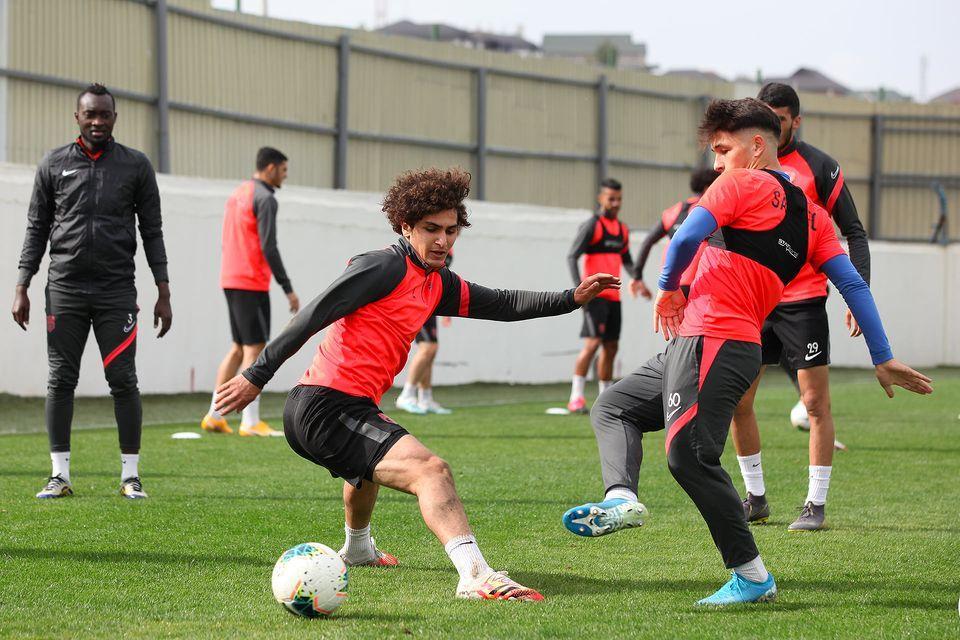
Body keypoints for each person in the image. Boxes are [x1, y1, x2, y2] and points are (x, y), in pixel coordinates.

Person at [561, 98, 932, 606]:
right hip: (721, 345)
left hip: (713, 340)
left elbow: (685, 236)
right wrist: (881, 354)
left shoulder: (738, 184)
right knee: (614, 406)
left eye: (722, 150)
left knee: (689, 456)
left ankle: (753, 577)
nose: (716, 164)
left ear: (757, 146)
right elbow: (852, 286)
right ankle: (622, 497)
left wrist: (667, 288)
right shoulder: (815, 218)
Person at [214, 168, 619, 601]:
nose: (443, 240)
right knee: (431, 470)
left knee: (367, 466)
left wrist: (570, 298)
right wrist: (256, 376)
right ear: (405, 226)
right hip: (324, 407)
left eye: (451, 230)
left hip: (350, 405)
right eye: (431, 229)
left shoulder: (437, 281)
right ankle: (475, 575)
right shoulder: (383, 266)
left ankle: (358, 549)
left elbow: (502, 303)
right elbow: (313, 315)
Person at [12, 83, 172, 500]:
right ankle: (59, 475)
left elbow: (152, 230)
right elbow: (36, 228)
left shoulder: (136, 166)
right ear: (77, 117)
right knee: (61, 379)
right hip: (64, 288)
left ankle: (131, 476)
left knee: (123, 380)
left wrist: (163, 289)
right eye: (90, 114)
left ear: (115, 118)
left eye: (104, 114)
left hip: (116, 291)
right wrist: (22, 284)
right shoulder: (53, 163)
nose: (97, 121)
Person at [733, 83, 872, 531]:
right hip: (756, 299)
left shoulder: (820, 167)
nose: (772, 128)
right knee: (739, 400)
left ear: (796, 120)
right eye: (765, 118)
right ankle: (755, 498)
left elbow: (853, 232)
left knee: (814, 403)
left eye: (779, 120)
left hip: (803, 301)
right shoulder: (745, 162)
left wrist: (859, 294)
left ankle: (815, 505)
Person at [201, 147, 299, 437]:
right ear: (270, 168)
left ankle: (215, 416)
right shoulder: (265, 198)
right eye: (283, 170)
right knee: (255, 349)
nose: (285, 175)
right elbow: (269, 245)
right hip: (250, 281)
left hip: (231, 278)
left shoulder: (238, 193)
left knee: (238, 347)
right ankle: (250, 421)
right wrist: (287, 288)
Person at [566, 178, 636, 413]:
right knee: (593, 343)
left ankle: (605, 399)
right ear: (601, 198)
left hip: (614, 297)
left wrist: (637, 278)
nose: (615, 203)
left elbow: (627, 259)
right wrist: (580, 289)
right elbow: (572, 256)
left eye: (619, 199)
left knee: (611, 346)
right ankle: (576, 397)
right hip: (594, 296)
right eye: (611, 199)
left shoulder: (622, 229)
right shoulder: (592, 226)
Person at [630, 168, 719, 300]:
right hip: (700, 285)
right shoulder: (711, 211)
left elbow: (648, 241)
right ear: (708, 187)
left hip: (672, 284)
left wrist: (637, 275)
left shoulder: (674, 211)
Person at [396, 252, 454, 415]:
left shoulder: (447, 246)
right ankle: (406, 395)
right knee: (427, 347)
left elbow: (439, 278)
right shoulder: (429, 244)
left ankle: (425, 398)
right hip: (417, 301)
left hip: (430, 302)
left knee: (432, 349)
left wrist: (446, 309)